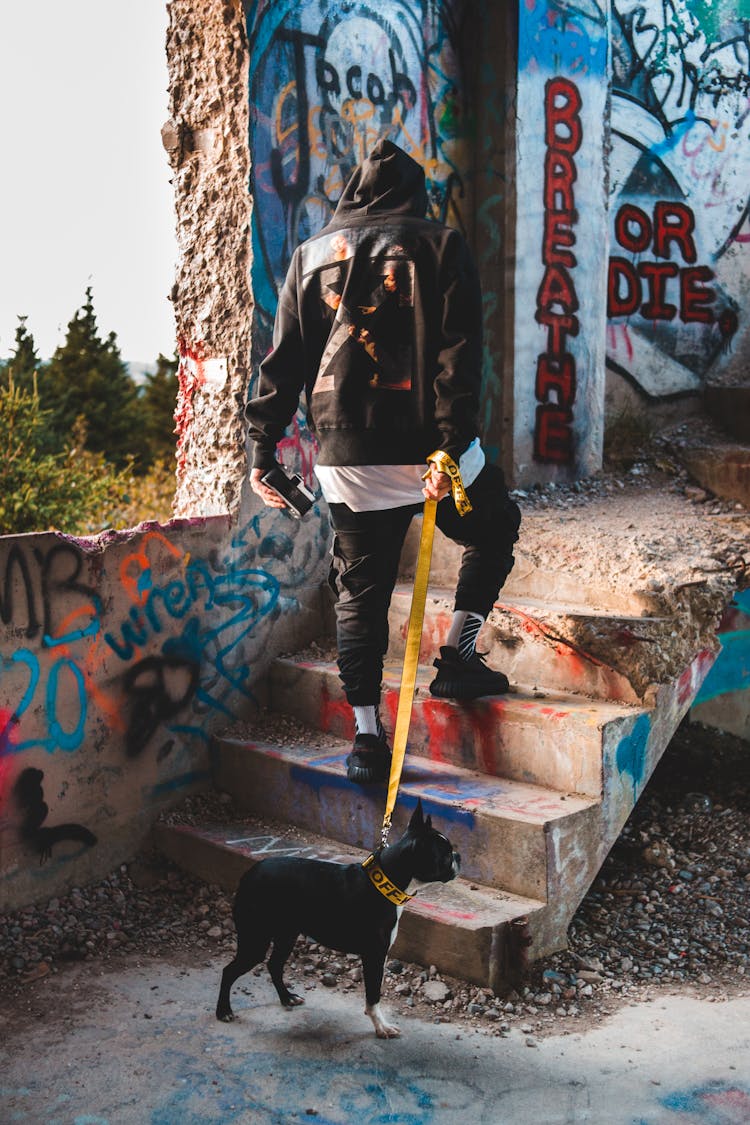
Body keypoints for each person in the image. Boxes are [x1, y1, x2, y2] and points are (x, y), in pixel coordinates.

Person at [246, 139, 521, 785]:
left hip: (343, 454)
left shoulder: (309, 255)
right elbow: (459, 353)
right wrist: (453, 445)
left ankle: (368, 739)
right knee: (495, 525)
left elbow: (281, 361)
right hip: (428, 447)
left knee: (359, 594)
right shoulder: (440, 243)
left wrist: (263, 447)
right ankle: (457, 654)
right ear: (411, 194)